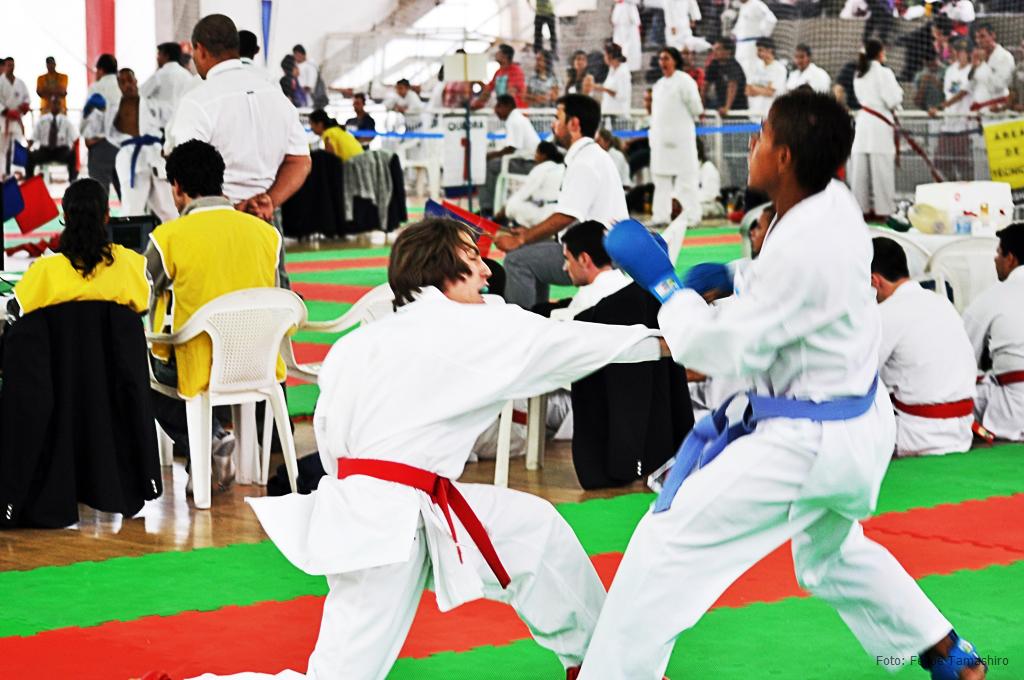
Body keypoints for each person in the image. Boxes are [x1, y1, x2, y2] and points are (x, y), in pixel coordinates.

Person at [582, 89, 989, 680]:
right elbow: (789, 285)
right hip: (855, 425)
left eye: (763, 136)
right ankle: (949, 654)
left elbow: (723, 348)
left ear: (785, 157)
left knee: (663, 546)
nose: (753, 145)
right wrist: (734, 275)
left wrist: (668, 289)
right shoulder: (830, 203)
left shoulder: (804, 246)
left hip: (806, 442)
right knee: (829, 556)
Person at [182, 217, 670, 680]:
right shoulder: (476, 326)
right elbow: (583, 343)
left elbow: (331, 442)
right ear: (445, 269)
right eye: (473, 258)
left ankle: (606, 668)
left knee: (535, 532)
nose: (487, 270)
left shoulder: (359, 343)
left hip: (390, 505)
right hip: (382, 524)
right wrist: (678, 333)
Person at [147, 140, 287, 496]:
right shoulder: (267, 234)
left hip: (199, 365)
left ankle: (209, 439)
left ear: (177, 187)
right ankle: (208, 459)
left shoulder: (168, 237)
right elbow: (278, 292)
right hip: (258, 361)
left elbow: (142, 291)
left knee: (139, 373)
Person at [561, 220, 694, 490]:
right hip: (665, 409)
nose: (564, 267)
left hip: (597, 400)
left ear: (584, 259)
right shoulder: (640, 293)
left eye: (567, 259)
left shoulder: (589, 304)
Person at [167, 14, 311, 250]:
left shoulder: (198, 100)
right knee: (269, 275)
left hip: (215, 224)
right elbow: (300, 161)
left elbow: (187, 171)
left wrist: (229, 208)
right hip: (265, 219)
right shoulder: (276, 96)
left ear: (200, 50)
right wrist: (268, 201)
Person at [495, 94, 627, 309]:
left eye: (558, 118)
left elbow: (567, 216)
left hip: (598, 255)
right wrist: (530, 235)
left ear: (573, 124)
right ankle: (538, 316)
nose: (553, 124)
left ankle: (523, 323)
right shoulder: (591, 156)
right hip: (603, 248)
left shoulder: (584, 162)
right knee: (530, 255)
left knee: (516, 261)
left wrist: (522, 239)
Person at [871, 237, 976, 457]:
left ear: (874, 281)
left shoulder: (885, 314)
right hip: (962, 430)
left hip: (916, 435)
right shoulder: (943, 303)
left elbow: (859, 376)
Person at [10, 178, 148, 319]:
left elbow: (16, 310)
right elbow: (144, 306)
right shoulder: (131, 264)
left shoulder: (43, 270)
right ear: (107, 216)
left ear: (65, 217)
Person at [963, 223, 1024, 442]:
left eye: (998, 253)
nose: (995, 259)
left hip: (1016, 409)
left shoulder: (993, 297)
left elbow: (962, 355)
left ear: (1011, 259)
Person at [106, 69, 177, 222]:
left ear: (136, 80)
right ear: (119, 86)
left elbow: (174, 120)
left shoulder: (153, 104)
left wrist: (169, 146)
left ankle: (177, 234)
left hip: (155, 154)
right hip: (130, 156)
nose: (127, 85)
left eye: (129, 80)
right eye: (122, 82)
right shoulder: (114, 108)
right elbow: (108, 133)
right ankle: (130, 237)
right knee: (132, 208)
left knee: (168, 207)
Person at [650, 47, 703, 228]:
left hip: (682, 141)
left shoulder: (685, 81)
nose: (662, 62)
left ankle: (692, 216)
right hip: (660, 142)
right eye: (660, 59)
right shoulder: (658, 85)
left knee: (687, 180)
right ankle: (660, 216)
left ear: (675, 60)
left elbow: (696, 108)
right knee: (660, 181)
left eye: (666, 58)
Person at [851, 39, 903, 221]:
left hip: (863, 122)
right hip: (879, 124)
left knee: (859, 173)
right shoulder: (883, 73)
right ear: (880, 53)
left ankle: (860, 210)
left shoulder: (859, 73)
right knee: (882, 171)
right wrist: (899, 97)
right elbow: (893, 99)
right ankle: (884, 211)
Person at [480, 94, 540, 217]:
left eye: (498, 106)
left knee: (489, 166)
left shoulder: (514, 121)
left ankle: (487, 208)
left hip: (528, 164)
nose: (495, 110)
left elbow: (511, 149)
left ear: (508, 106)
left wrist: (490, 155)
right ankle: (492, 205)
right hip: (526, 161)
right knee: (493, 164)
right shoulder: (516, 118)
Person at [930, 38, 974, 181]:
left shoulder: (972, 70)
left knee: (964, 164)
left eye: (962, 51)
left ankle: (968, 189)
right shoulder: (950, 70)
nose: (958, 53)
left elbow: (962, 93)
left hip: (964, 125)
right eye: (957, 50)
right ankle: (954, 184)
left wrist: (940, 107)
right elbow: (948, 93)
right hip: (948, 123)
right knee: (941, 162)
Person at [79, 54, 121, 198]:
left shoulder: (96, 88)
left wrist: (88, 137)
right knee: (127, 194)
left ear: (100, 70)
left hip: (101, 144)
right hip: (124, 145)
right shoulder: (124, 86)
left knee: (99, 195)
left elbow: (89, 117)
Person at [497, 141, 565, 229]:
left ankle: (512, 225)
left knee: (513, 205)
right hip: (562, 212)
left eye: (537, 153)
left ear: (543, 155)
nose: (534, 156)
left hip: (546, 214)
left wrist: (503, 210)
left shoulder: (541, 168)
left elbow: (523, 194)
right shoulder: (562, 167)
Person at [140, 42, 197, 127]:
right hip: (184, 123)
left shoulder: (159, 75)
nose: (157, 58)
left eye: (159, 54)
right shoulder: (187, 76)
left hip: (161, 126)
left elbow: (140, 94)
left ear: (166, 56)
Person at [26, 95, 78, 181]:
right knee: (30, 156)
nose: (55, 106)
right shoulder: (42, 120)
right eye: (54, 103)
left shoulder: (66, 121)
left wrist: (73, 147)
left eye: (58, 104)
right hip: (45, 151)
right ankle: (29, 182)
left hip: (61, 151)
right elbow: (33, 138)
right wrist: (28, 147)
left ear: (61, 106)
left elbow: (75, 139)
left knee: (72, 155)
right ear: (50, 105)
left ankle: (73, 182)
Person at [970, 23, 1015, 112]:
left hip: (996, 109)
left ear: (993, 35)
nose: (978, 41)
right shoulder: (978, 56)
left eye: (982, 36)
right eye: (977, 37)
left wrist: (985, 64)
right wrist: (974, 66)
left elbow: (999, 85)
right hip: (978, 107)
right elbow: (972, 83)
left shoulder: (1005, 57)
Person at [1, 57, 31, 177]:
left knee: (17, 145)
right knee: (2, 148)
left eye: (12, 65)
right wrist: (6, 111)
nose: (11, 67)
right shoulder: (1, 82)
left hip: (17, 119)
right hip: (3, 119)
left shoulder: (20, 83)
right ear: (5, 66)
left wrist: (25, 106)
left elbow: (27, 98)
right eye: (8, 65)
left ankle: (17, 172)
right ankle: (2, 173)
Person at [473, 44, 527, 109]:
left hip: (515, 109)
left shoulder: (516, 71)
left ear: (505, 56)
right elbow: (488, 90)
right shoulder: (498, 72)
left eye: (498, 52)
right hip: (503, 108)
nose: (495, 54)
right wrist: (477, 104)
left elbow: (512, 92)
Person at [731, 0, 778, 76]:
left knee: (749, 70)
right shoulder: (743, 6)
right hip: (740, 45)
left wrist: (763, 37)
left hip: (751, 44)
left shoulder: (756, 4)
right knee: (738, 71)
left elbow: (771, 19)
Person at [703, 38, 748, 116]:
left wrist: (727, 107)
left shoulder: (734, 66)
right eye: (714, 49)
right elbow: (705, 86)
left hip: (737, 110)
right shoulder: (714, 64)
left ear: (728, 51)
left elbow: (732, 86)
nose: (714, 52)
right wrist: (701, 105)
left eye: (718, 49)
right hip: (720, 106)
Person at [746, 37, 786, 119]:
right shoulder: (755, 66)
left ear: (769, 50)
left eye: (760, 50)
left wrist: (755, 88)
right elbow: (748, 90)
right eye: (757, 50)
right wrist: (764, 89)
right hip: (753, 113)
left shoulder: (779, 69)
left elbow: (770, 92)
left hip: (769, 114)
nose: (758, 53)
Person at [593, 42, 631, 123]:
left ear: (610, 56)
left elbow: (622, 95)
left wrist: (604, 89)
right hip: (609, 112)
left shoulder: (623, 72)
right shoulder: (612, 69)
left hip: (619, 115)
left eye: (605, 55)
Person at [611, 0, 642, 71]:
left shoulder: (630, 5)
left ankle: (629, 67)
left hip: (629, 21)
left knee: (630, 46)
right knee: (618, 44)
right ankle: (619, 64)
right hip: (620, 20)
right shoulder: (618, 6)